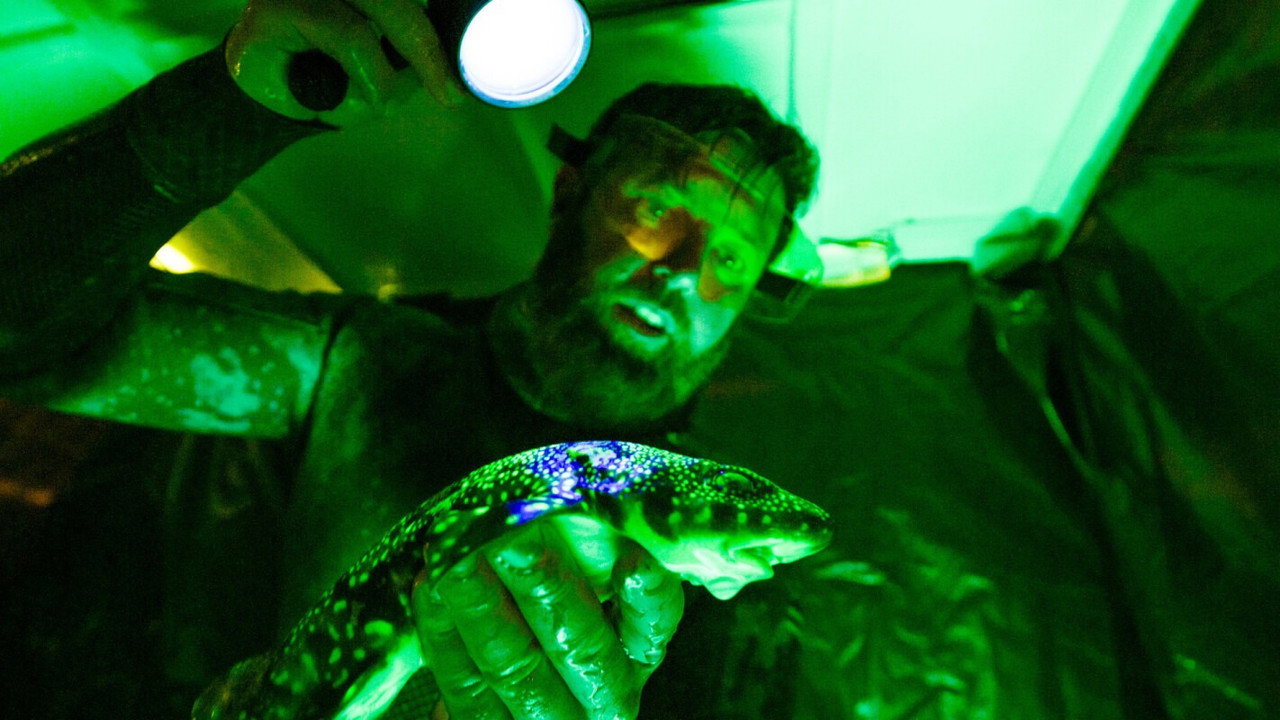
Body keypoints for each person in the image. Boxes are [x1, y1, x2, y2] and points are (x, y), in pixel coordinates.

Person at [0, 0, 819, 717]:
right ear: (571, 191)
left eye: (733, 258)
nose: (682, 270)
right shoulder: (364, 364)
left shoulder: (737, 567)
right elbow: (21, 335)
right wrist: (223, 105)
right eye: (658, 208)